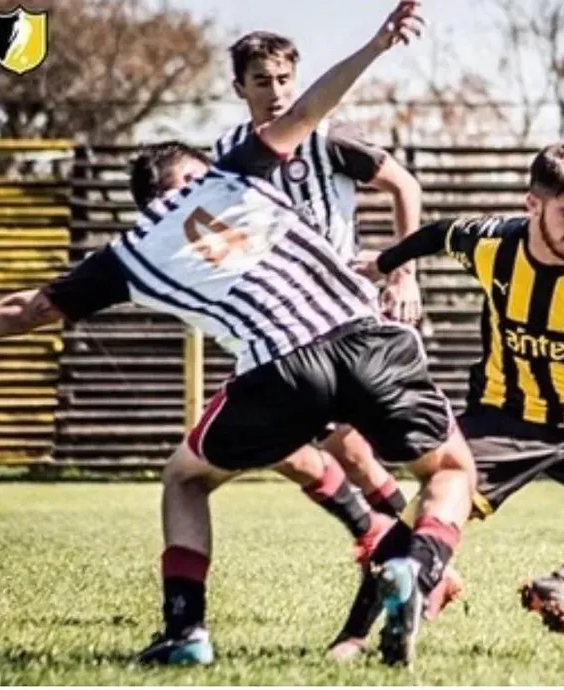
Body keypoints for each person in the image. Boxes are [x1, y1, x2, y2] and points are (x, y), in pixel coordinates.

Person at [0, 1, 474, 668]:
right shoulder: (233, 173)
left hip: (279, 369)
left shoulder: (129, 254)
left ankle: (187, 630)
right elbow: (313, 107)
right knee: (450, 469)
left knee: (186, 478)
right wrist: (378, 44)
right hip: (365, 336)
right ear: (196, 171)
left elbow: (26, 309)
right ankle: (417, 565)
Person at [335, 143, 564, 648]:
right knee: (424, 513)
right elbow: (440, 233)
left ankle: (563, 581)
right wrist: (386, 263)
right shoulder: (493, 244)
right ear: (533, 204)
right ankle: (353, 636)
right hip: (500, 418)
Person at [212, 28, 464, 632]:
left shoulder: (330, 138)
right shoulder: (227, 153)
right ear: (239, 88)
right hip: (277, 323)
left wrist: (402, 274)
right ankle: (405, 549)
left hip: (345, 318)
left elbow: (405, 185)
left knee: (364, 449)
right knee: (304, 448)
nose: (276, 92)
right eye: (262, 81)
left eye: (284, 80)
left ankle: (402, 549)